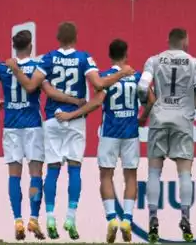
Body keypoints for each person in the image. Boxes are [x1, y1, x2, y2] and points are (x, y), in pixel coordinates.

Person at [6, 23, 128, 241]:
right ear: (76, 37)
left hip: (53, 118)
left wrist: (15, 69)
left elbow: (32, 86)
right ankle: (70, 218)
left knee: (52, 169)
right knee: (74, 169)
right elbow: (98, 84)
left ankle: (50, 217)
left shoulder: (48, 58)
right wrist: (122, 74)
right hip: (75, 120)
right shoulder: (84, 58)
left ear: (57, 37)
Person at [52, 40, 141, 244]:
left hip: (109, 132)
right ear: (126, 54)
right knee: (130, 176)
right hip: (131, 133)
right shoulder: (135, 76)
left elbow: (96, 102)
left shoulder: (104, 77)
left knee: (106, 176)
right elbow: (150, 99)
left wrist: (72, 114)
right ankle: (127, 218)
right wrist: (143, 117)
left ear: (109, 55)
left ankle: (111, 218)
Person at [139, 28, 196, 243]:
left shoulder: (154, 60)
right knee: (185, 173)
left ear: (168, 41)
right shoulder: (194, 62)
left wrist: (145, 105)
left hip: (159, 119)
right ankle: (185, 217)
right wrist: (193, 97)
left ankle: (152, 218)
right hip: (183, 121)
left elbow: (142, 87)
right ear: (185, 41)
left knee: (153, 172)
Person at [0, 30, 46, 242]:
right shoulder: (37, 66)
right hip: (33, 126)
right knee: (36, 173)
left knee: (14, 176)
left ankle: (18, 219)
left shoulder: (2, 67)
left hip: (11, 127)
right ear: (30, 46)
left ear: (14, 46)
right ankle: (34, 218)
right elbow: (35, 88)